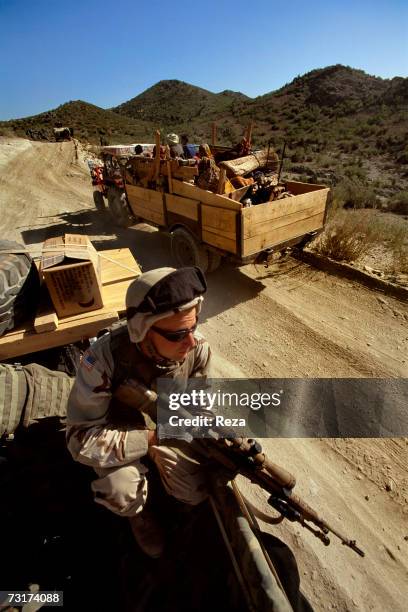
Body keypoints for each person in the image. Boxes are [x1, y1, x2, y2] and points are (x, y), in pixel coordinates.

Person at [66, 266, 211, 558]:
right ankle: (137, 515)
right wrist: (150, 440)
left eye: (193, 328)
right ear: (143, 329)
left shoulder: (196, 351)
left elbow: (199, 408)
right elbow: (79, 439)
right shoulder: (103, 360)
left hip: (164, 427)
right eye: (178, 334)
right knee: (120, 489)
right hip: (114, 430)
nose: (191, 341)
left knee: (194, 489)